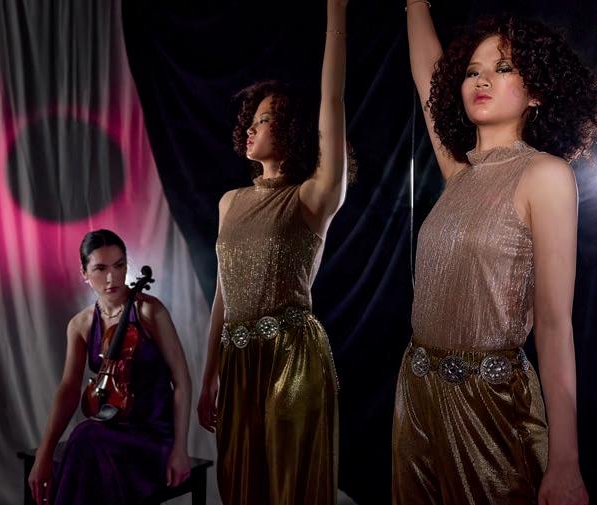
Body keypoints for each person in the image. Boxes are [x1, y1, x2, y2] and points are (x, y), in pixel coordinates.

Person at [394, 2, 597, 504]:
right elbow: (426, 75)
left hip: (490, 405)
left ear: (537, 91)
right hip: (416, 396)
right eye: (472, 71)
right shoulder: (459, 174)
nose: (482, 80)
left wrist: (565, 461)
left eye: (503, 67)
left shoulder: (545, 174)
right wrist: (415, 4)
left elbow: (554, 325)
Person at [195, 1, 355, 503]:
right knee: (240, 489)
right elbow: (223, 295)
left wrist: (335, 14)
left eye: (263, 120)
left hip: (293, 358)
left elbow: (332, 101)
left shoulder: (312, 196)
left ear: (291, 129)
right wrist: (208, 377)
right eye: (251, 119)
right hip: (237, 361)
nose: (250, 128)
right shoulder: (229, 203)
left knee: (289, 489)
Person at [27, 229, 192, 505]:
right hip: (111, 430)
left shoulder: (150, 312)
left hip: (152, 435)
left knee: (86, 438)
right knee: (89, 442)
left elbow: (182, 381)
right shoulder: (80, 325)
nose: (112, 278)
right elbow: (69, 389)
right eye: (100, 268)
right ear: (84, 273)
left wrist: (180, 449)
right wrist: (43, 454)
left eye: (119, 265)